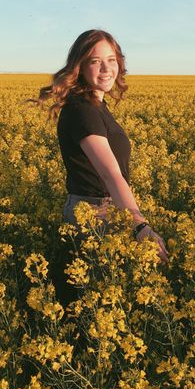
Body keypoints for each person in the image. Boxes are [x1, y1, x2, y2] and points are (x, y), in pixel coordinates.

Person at [30, 29, 169, 300]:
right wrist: (140, 225)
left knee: (108, 296)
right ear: (79, 66)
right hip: (92, 215)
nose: (106, 68)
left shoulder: (95, 105)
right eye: (95, 61)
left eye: (112, 59)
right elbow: (109, 173)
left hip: (109, 210)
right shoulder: (83, 110)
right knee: (92, 301)